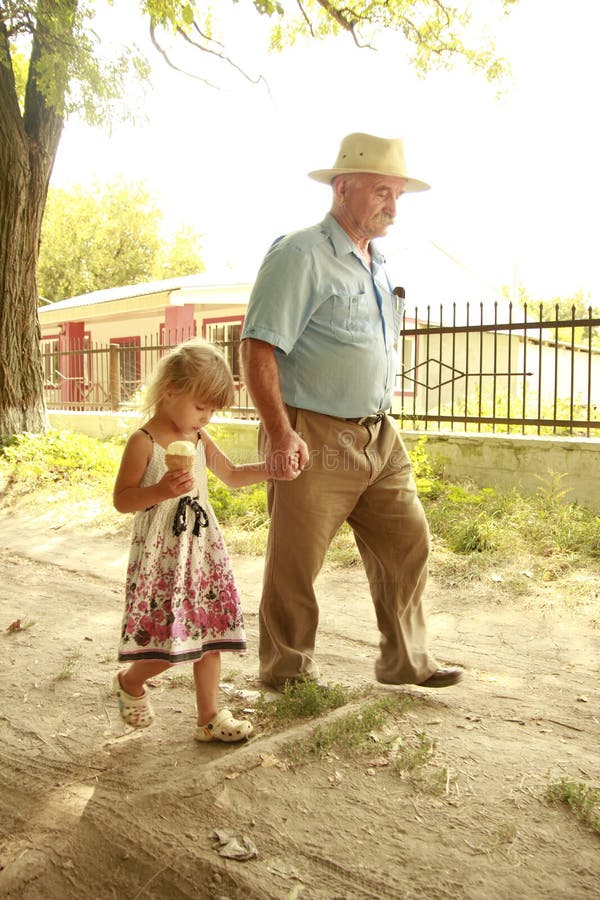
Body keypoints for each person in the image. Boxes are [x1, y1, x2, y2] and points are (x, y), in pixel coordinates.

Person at [240, 132, 463, 691]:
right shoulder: (300, 253)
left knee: (408, 540)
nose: (393, 204)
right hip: (311, 431)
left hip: (379, 435)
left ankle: (404, 660)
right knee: (296, 563)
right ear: (343, 189)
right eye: (382, 190)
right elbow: (259, 346)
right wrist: (280, 432)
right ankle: (286, 675)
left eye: (399, 194)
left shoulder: (379, 263)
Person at [112, 337, 276, 742]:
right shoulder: (143, 442)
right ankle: (130, 680)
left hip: (202, 550)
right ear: (170, 392)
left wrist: (274, 469)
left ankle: (208, 718)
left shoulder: (200, 440)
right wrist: (162, 491)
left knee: (211, 635)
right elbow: (122, 500)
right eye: (201, 407)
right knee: (168, 644)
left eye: (213, 410)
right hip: (163, 555)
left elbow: (233, 475)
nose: (207, 418)